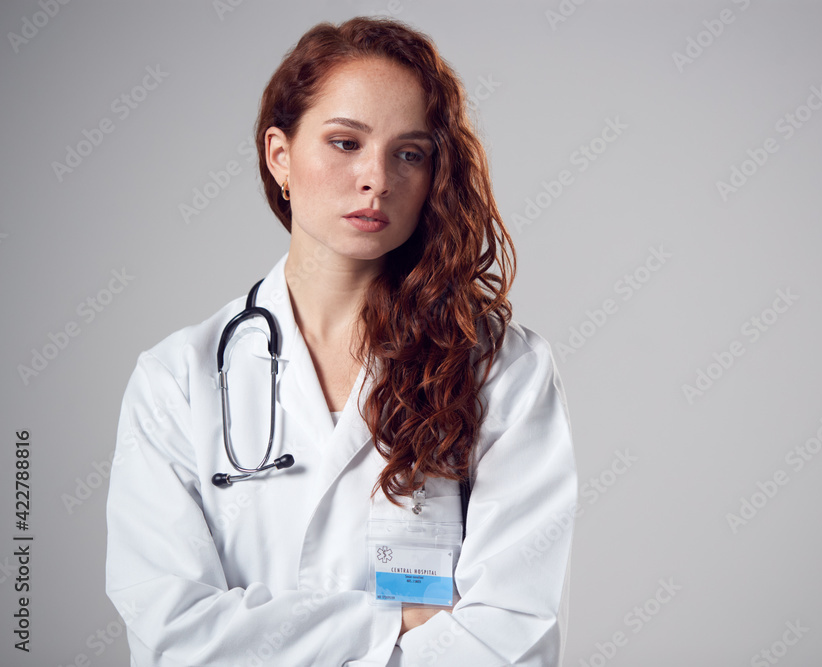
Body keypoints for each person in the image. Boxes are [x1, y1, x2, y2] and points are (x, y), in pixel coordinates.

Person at [104, 16, 577, 666]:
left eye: (408, 152)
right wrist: (394, 620)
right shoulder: (177, 381)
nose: (376, 178)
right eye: (345, 142)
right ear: (280, 156)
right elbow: (175, 638)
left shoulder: (502, 368)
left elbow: (511, 634)